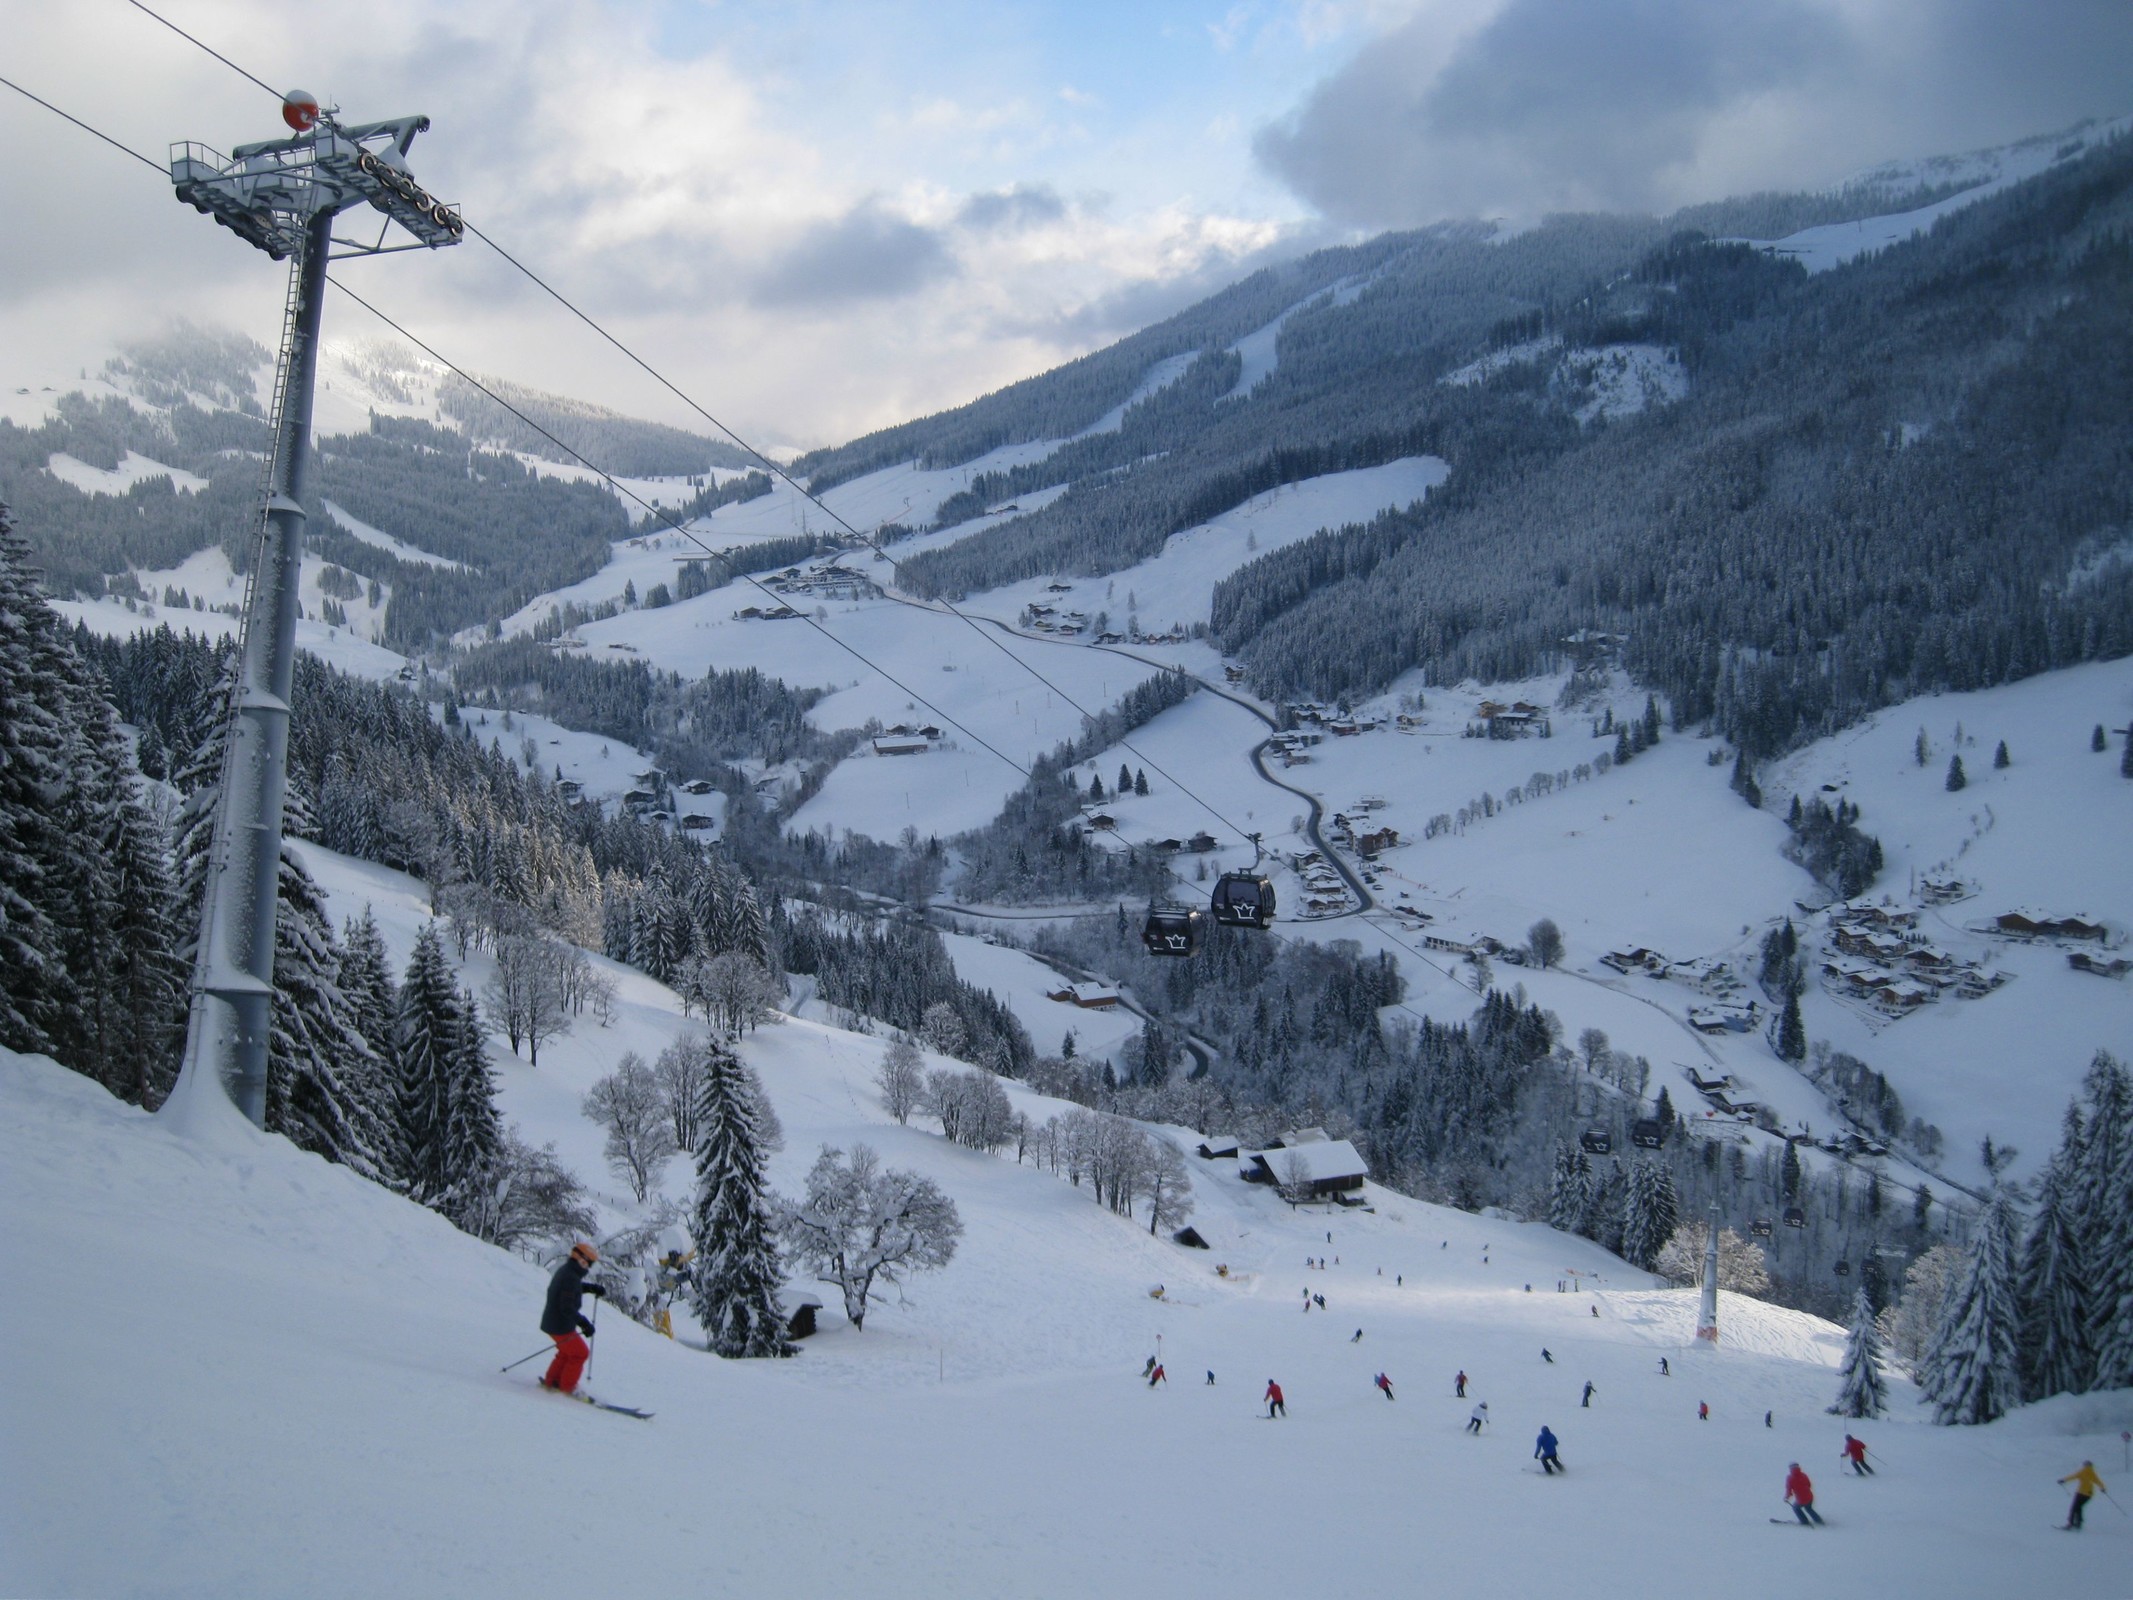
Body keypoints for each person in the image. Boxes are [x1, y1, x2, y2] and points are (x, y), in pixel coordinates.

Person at [539, 1240, 607, 1396]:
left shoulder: (568, 1271)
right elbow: (567, 1307)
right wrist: (584, 1323)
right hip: (560, 1324)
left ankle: (552, 1381)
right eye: (588, 1263)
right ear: (581, 1260)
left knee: (566, 1352)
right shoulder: (571, 1276)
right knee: (580, 1353)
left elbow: (571, 1289)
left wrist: (590, 1288)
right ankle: (567, 1387)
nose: (588, 1267)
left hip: (553, 1322)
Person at [2060, 1460, 2106, 1530]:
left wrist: (2063, 1480)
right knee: (2079, 1507)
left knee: (2074, 1508)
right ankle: (2079, 1523)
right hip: (2089, 1494)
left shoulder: (2082, 1471)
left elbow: (2073, 1476)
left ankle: (2070, 1524)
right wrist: (2102, 1488)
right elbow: (2098, 1481)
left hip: (2080, 1493)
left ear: (2085, 1465)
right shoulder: (2093, 1473)